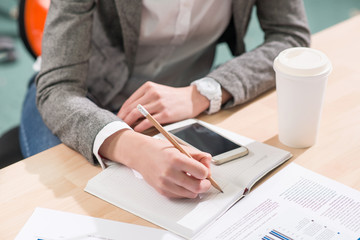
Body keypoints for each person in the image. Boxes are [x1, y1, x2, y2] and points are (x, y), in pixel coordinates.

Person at [19, 0, 310, 199]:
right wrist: (137, 150)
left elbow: (290, 37)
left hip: (177, 110)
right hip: (75, 101)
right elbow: (59, 88)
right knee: (79, 211)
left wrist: (204, 93)